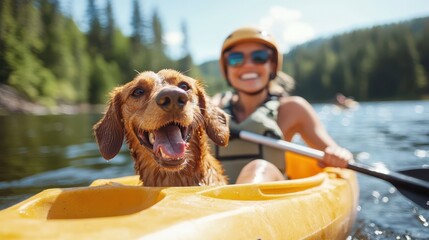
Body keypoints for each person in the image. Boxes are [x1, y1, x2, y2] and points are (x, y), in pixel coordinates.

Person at [212, 27, 353, 184]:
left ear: (272, 65)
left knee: (259, 168)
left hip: (271, 198)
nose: (248, 65)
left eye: (259, 57)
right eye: (236, 59)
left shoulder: (294, 109)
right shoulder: (212, 108)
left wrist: (338, 155)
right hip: (215, 200)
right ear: (226, 69)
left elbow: (334, 152)